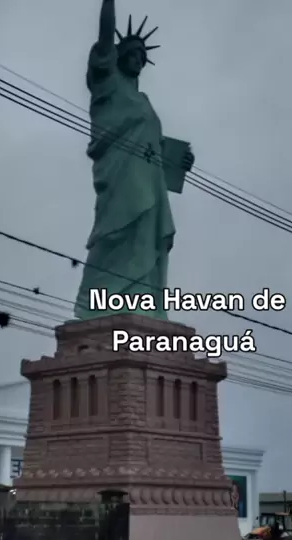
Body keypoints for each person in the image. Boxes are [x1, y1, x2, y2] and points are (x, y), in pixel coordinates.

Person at [74, 0, 195, 320]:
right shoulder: (107, 84)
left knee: (146, 237)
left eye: (143, 56)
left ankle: (144, 304)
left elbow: (155, 144)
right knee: (114, 233)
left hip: (150, 180)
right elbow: (104, 36)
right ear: (118, 55)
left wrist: (180, 160)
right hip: (119, 174)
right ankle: (93, 306)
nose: (138, 59)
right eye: (132, 53)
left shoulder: (143, 100)